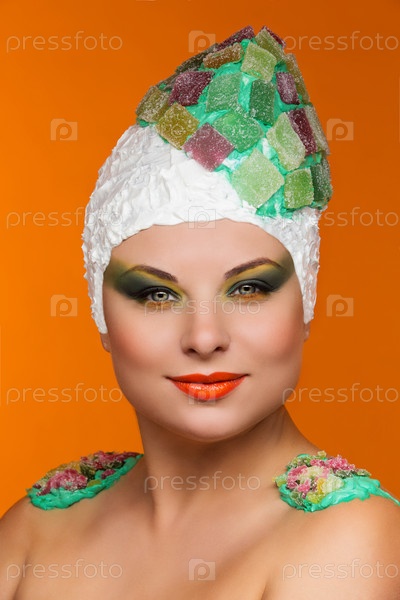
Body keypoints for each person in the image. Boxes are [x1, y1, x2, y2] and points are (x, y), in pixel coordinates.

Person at [1, 24, 399, 599]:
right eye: (157, 295)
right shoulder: (34, 532)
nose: (205, 337)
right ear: (101, 314)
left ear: (305, 303)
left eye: (249, 289)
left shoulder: (348, 543)